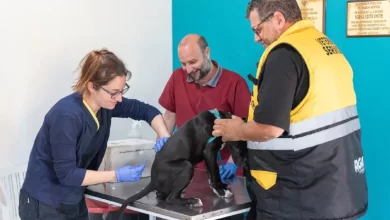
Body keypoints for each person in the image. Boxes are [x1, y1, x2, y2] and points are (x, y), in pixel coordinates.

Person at [212, 0, 368, 219]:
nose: (256, 38)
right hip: (338, 189)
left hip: (296, 197)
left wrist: (236, 130)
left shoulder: (283, 55)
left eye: (258, 29)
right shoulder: (323, 46)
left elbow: (269, 128)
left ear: (278, 19)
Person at [18, 48, 170, 220]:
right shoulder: (67, 116)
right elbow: (67, 174)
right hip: (46, 202)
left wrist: (163, 134)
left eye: (122, 90)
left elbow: (145, 110)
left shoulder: (106, 105)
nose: (119, 98)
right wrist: (116, 175)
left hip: (73, 198)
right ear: (91, 86)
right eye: (114, 92)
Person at [157, 34, 251, 181]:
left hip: (222, 169)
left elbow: (246, 129)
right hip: (186, 168)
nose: (188, 69)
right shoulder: (177, 78)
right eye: (183, 63)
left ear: (207, 52)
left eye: (193, 62)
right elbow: (169, 116)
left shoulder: (235, 83)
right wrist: (162, 148)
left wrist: (232, 163)